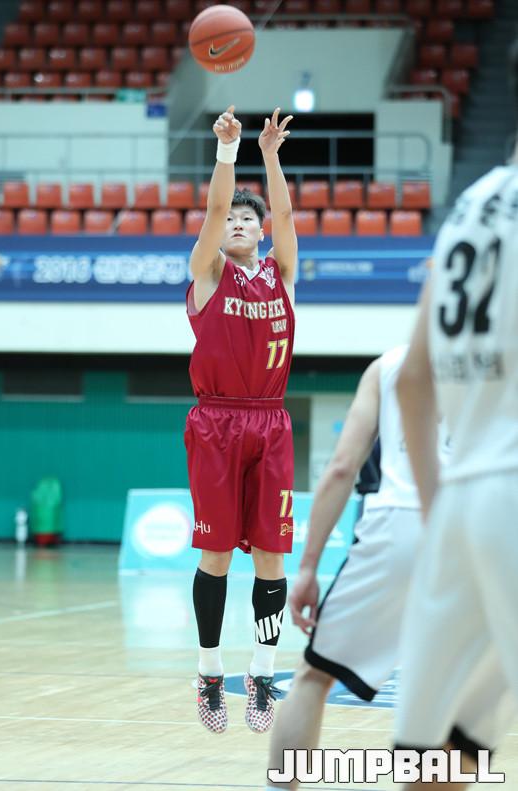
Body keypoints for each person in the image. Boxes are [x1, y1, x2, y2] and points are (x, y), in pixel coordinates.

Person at [393, 41, 518, 791]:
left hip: (463, 501)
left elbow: (413, 380)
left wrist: (439, 508)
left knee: (435, 755)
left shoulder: (469, 205)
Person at [266, 344, 449, 790]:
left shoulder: (388, 366)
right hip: (476, 528)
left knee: (313, 675)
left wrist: (307, 567)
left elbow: (342, 467)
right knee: (443, 691)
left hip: (398, 524)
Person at [184, 105, 297, 735]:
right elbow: (211, 212)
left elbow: (286, 217)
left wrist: (270, 156)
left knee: (272, 557)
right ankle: (208, 673)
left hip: (270, 424)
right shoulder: (207, 273)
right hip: (217, 423)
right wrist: (228, 153)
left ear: (260, 230)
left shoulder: (282, 275)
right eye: (231, 218)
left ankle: (262, 673)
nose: (237, 223)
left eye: (247, 218)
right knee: (218, 554)